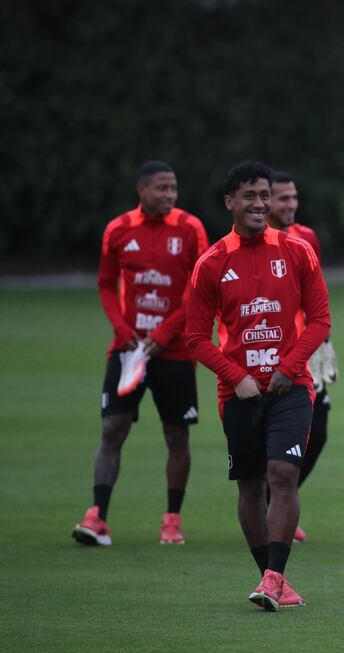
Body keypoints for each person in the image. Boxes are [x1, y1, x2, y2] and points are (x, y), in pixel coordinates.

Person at [184, 161, 330, 611]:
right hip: (239, 395)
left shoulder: (297, 250)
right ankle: (271, 578)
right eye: (250, 196)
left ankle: (274, 576)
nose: (260, 204)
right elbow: (194, 338)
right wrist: (237, 378)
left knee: (283, 476)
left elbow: (321, 320)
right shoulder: (211, 262)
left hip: (292, 388)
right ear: (230, 203)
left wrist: (289, 367)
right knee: (249, 487)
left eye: (265, 195)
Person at [71, 160, 209, 547]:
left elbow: (198, 291)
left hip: (176, 351)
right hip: (128, 350)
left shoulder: (190, 228)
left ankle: (171, 520)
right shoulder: (118, 229)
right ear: (142, 191)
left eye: (174, 188)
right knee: (112, 429)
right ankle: (97, 517)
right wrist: (121, 329)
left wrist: (164, 334)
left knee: (176, 435)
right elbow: (104, 285)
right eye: (163, 188)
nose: (170, 195)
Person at [268, 170, 338, 543]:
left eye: (294, 198)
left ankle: (279, 501)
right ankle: (270, 505)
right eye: (284, 199)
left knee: (319, 431)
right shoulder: (256, 242)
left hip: (307, 350)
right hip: (269, 351)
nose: (291, 205)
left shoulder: (306, 238)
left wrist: (324, 339)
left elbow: (316, 294)